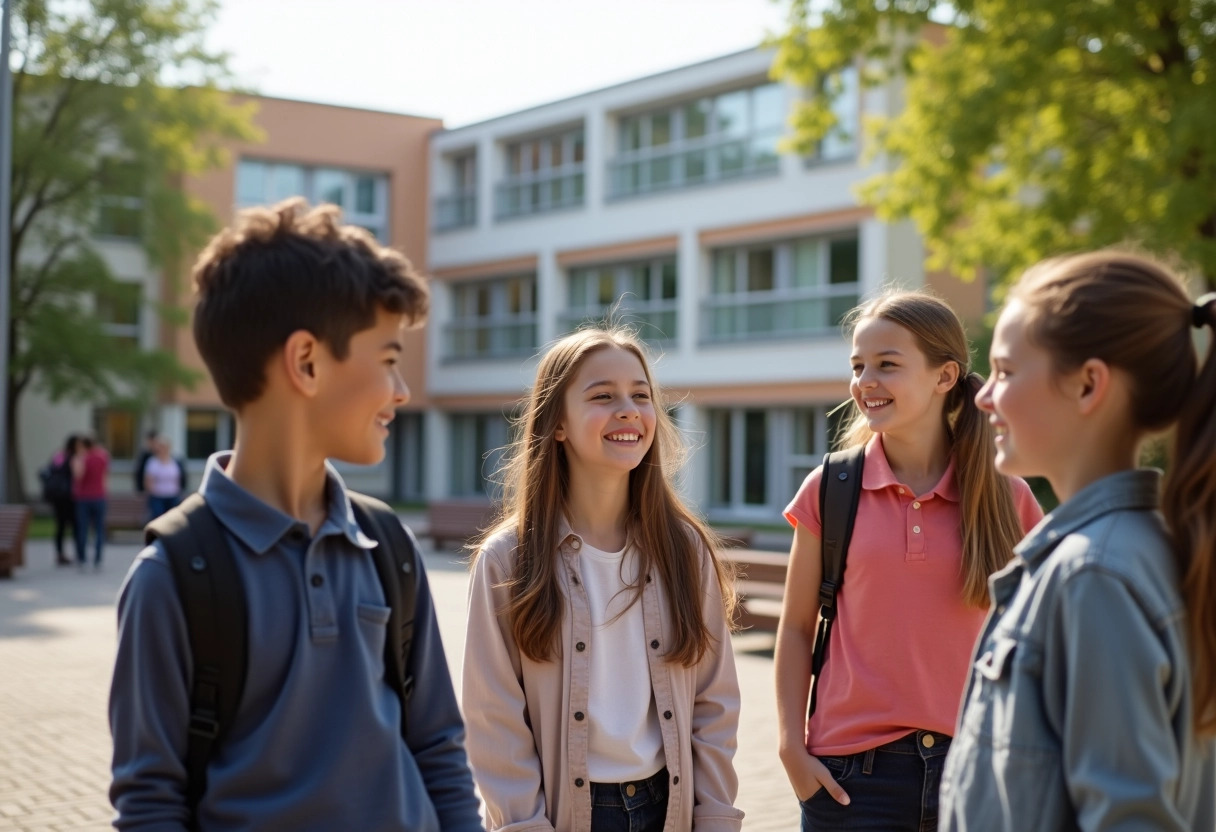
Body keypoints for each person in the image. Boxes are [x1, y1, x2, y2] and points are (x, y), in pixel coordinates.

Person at [108, 198, 483, 831]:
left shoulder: (386, 544)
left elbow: (439, 751)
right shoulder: (172, 576)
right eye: (389, 360)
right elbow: (150, 805)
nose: (401, 391)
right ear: (306, 361)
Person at [939, 251, 1216, 830]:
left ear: (1089, 384)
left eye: (1007, 372)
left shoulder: (1094, 575)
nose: (984, 396)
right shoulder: (1132, 553)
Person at [775, 290, 1043, 831]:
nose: (865, 381)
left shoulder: (1008, 497)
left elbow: (1043, 639)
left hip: (979, 769)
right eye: (858, 366)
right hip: (851, 778)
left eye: (887, 365)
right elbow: (798, 628)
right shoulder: (829, 488)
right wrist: (790, 750)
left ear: (945, 376)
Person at [463, 325, 744, 832]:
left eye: (641, 395)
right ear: (558, 425)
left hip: (669, 808)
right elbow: (494, 719)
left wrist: (716, 816)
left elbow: (714, 700)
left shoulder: (684, 550)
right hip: (562, 816)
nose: (628, 409)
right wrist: (523, 824)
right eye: (602, 396)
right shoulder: (507, 560)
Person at [71, 433, 109, 570]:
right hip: (99, 496)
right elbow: (105, 476)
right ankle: (98, 558)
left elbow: (78, 476)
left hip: (83, 498)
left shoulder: (82, 458)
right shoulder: (103, 456)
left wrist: (78, 460)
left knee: (83, 528)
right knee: (99, 529)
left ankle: (82, 558)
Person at [40, 434, 78, 566]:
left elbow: (51, 469)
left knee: (60, 525)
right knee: (74, 525)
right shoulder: (74, 457)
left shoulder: (59, 455)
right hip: (69, 496)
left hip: (57, 496)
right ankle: (77, 553)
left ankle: (60, 553)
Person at [142, 437, 187, 521]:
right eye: (160, 446)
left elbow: (179, 478)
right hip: (157, 497)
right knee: (159, 519)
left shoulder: (175, 461)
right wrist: (152, 492)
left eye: (164, 446)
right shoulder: (152, 462)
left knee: (173, 520)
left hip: (173, 496)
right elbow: (148, 480)